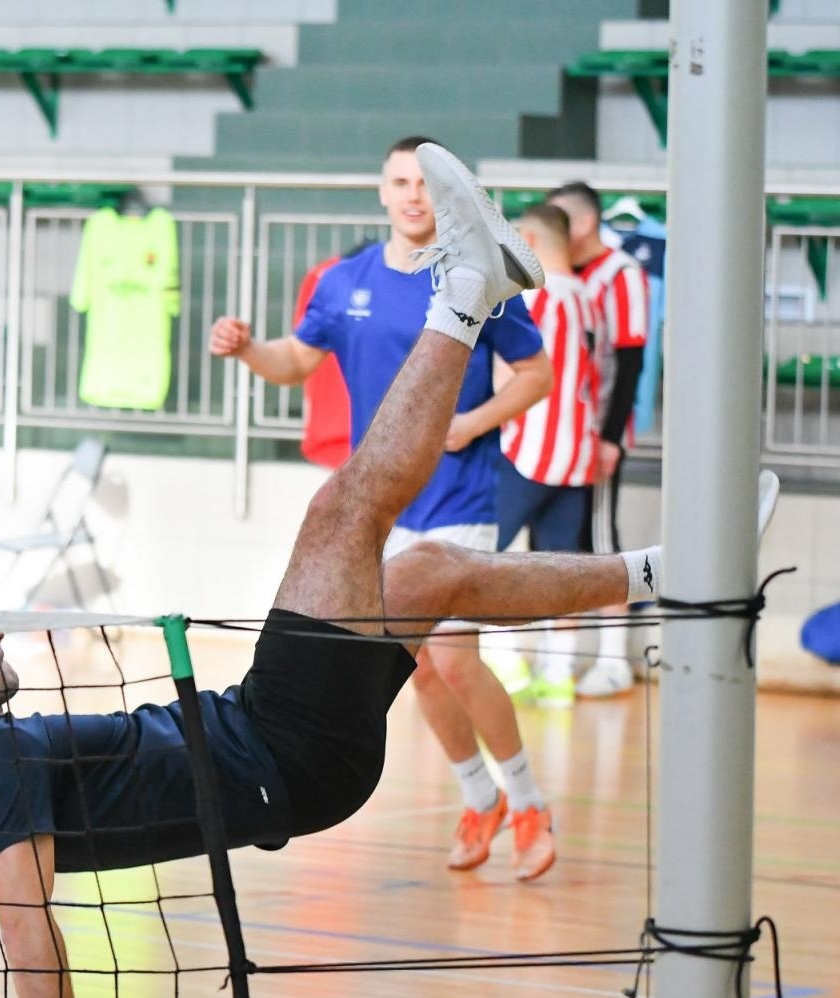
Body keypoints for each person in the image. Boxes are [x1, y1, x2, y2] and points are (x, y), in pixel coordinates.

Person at [0, 145, 779, 998]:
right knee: (344, 509)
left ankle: (667, 574)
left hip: (282, 752)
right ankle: (469, 286)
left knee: (428, 575)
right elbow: (26, 937)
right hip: (276, 748)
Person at [209, 136, 560, 882]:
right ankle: (480, 798)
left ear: (446, 197)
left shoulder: (471, 281)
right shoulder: (344, 282)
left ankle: (529, 801)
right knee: (418, 670)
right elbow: (295, 362)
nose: (413, 195)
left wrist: (470, 423)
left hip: (459, 493)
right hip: (385, 507)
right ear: (382, 191)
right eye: (400, 182)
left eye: (425, 183)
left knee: (455, 658)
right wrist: (246, 350)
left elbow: (537, 374)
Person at [545, 182, 650, 698]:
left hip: (595, 438)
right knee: (557, 548)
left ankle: (614, 661)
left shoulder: (621, 274)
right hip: (556, 441)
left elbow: (630, 361)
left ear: (584, 223)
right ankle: (558, 662)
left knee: (603, 543)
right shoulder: (557, 273)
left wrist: (610, 438)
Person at [493, 204, 600, 707]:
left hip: (528, 449)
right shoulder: (588, 298)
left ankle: (504, 661)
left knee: (478, 552)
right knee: (564, 568)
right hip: (577, 456)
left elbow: (510, 374)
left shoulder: (536, 297)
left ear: (529, 242)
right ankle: (558, 677)